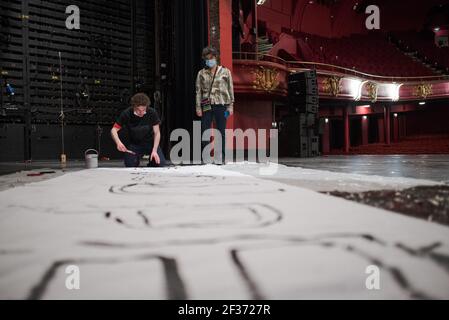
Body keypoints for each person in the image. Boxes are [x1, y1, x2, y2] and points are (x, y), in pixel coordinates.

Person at [195, 46, 235, 164]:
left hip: (221, 103)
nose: (209, 61)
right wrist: (198, 107)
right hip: (206, 104)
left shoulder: (225, 72)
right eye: (206, 59)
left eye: (211, 58)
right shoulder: (201, 73)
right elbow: (198, 91)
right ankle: (206, 157)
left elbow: (230, 88)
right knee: (205, 130)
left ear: (216, 57)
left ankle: (220, 157)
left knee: (220, 131)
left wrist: (231, 105)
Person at [111, 93, 166, 167]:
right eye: (138, 110)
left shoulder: (152, 112)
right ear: (133, 107)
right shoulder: (126, 113)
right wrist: (118, 143)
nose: (141, 113)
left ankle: (151, 162)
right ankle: (136, 160)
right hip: (135, 144)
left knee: (159, 163)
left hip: (150, 143)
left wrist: (155, 150)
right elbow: (113, 130)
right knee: (130, 164)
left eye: (143, 110)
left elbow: (157, 132)